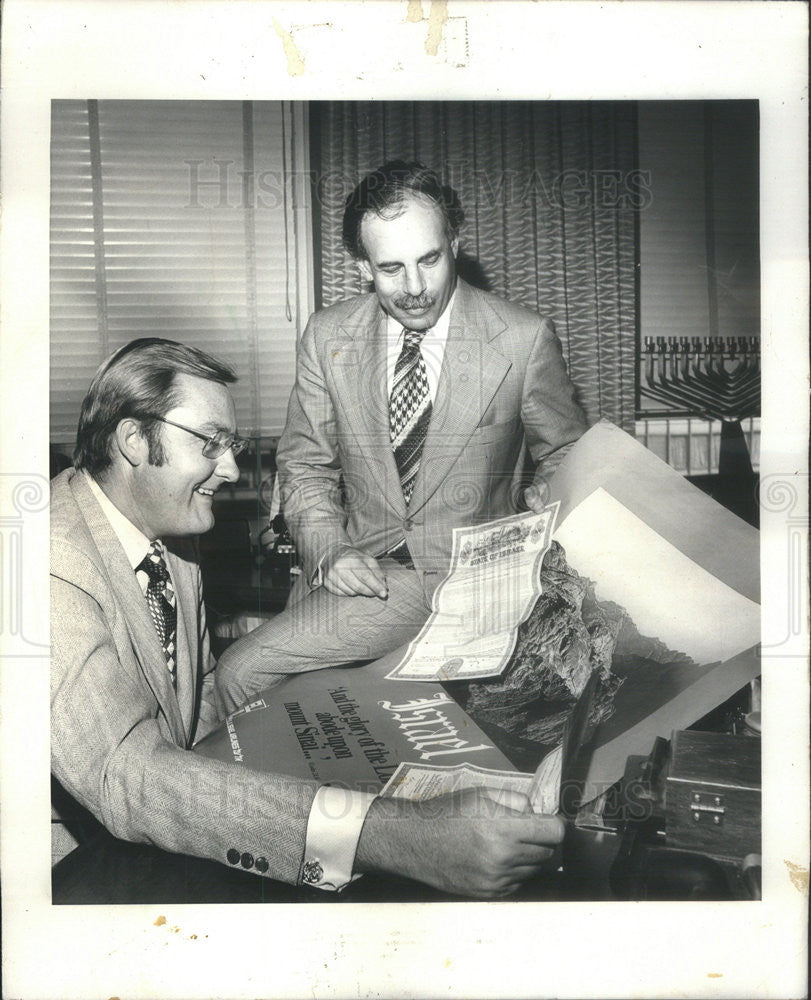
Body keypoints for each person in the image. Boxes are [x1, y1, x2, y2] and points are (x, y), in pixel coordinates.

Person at [50, 337, 565, 898]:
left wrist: (298, 795)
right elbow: (129, 777)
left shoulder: (171, 533)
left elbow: (192, 700)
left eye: (234, 444)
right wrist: (398, 834)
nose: (230, 469)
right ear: (132, 440)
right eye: (211, 443)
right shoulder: (46, 565)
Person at [217, 160, 588, 709]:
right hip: (351, 568)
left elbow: (567, 453)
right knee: (285, 701)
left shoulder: (522, 339)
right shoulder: (328, 336)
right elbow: (305, 466)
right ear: (363, 266)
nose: (415, 289)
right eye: (391, 268)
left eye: (430, 260)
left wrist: (542, 506)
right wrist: (330, 549)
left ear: (455, 242)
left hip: (468, 576)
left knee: (240, 671)